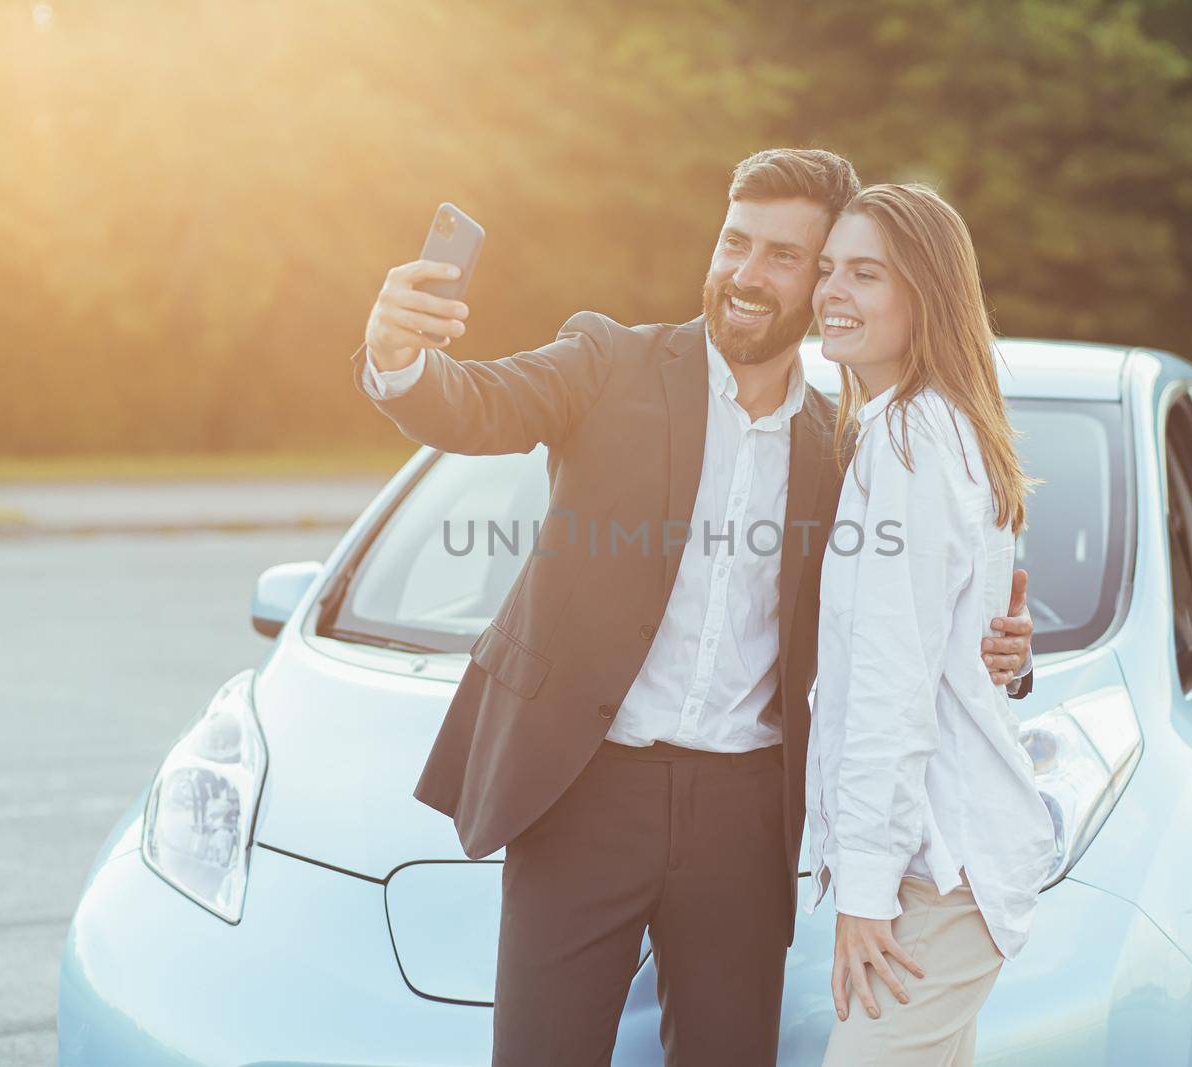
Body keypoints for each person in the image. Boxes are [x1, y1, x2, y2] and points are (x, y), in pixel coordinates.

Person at [351, 150, 1038, 1067]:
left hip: (744, 816)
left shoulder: (844, 448)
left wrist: (1004, 647)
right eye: (734, 243)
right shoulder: (610, 362)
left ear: (817, 284)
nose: (748, 274)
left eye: (785, 257)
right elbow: (479, 405)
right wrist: (400, 358)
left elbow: (904, 617)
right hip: (585, 793)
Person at [804, 182, 1060, 1067]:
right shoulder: (928, 429)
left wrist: (866, 890)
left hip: (934, 876)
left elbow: (891, 681)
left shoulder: (912, 441)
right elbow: (963, 643)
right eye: (829, 269)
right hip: (938, 866)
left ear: (926, 296)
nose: (831, 291)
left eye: (865, 273)